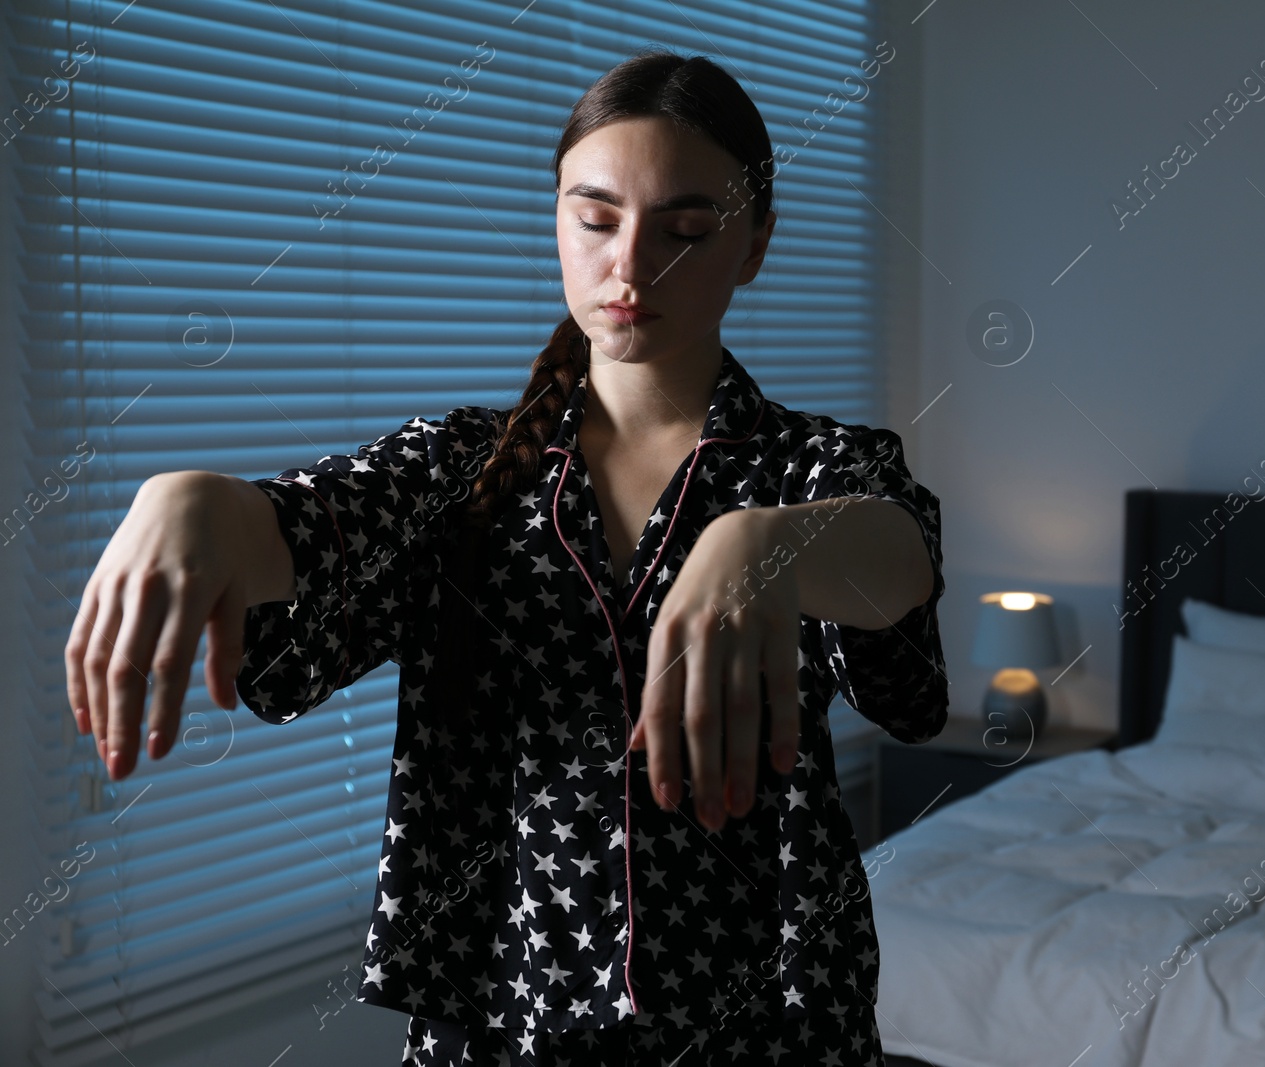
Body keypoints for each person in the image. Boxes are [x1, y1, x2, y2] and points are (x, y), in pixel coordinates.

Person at [63, 48, 949, 1066]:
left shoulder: (814, 467)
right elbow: (298, 529)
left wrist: (764, 543)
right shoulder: (459, 469)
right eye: (595, 215)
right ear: (557, 219)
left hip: (765, 1019)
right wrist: (190, 501)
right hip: (504, 1015)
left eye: (687, 228)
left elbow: (896, 555)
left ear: (754, 245)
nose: (630, 265)